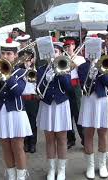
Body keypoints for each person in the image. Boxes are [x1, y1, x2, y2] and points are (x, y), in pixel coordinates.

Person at [0, 37, 32, 180]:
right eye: (3, 53)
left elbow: (17, 92)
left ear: (15, 56)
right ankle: (11, 176)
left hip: (15, 112)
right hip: (0, 112)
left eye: (9, 54)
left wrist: (7, 76)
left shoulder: (21, 72)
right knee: (5, 146)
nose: (5, 56)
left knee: (17, 146)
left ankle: (21, 177)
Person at [36, 39, 72, 180]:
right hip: (47, 106)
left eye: (55, 52)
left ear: (60, 53)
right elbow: (39, 91)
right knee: (49, 139)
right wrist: (46, 78)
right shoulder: (40, 70)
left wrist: (60, 73)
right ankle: (51, 169)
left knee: (62, 139)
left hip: (61, 105)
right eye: (51, 52)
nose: (53, 55)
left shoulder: (65, 67)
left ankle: (61, 170)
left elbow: (69, 89)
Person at [77, 55, 108, 179]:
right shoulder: (82, 67)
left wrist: (100, 70)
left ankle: (102, 165)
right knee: (88, 134)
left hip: (103, 100)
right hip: (89, 101)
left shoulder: (105, 63)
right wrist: (91, 74)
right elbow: (83, 85)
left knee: (103, 133)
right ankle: (90, 166)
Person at [61, 37, 86, 148]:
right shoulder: (62, 59)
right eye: (65, 47)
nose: (67, 48)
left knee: (78, 113)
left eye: (69, 46)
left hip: (76, 87)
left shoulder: (79, 58)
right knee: (67, 114)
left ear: (74, 46)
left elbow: (73, 66)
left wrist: (70, 59)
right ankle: (70, 139)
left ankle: (84, 138)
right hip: (65, 87)